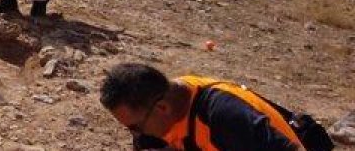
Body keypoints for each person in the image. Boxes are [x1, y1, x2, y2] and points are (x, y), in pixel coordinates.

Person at [100, 62, 321, 150]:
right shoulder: (160, 102)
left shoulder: (227, 116)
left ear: (162, 108)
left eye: (135, 127)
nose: (136, 137)